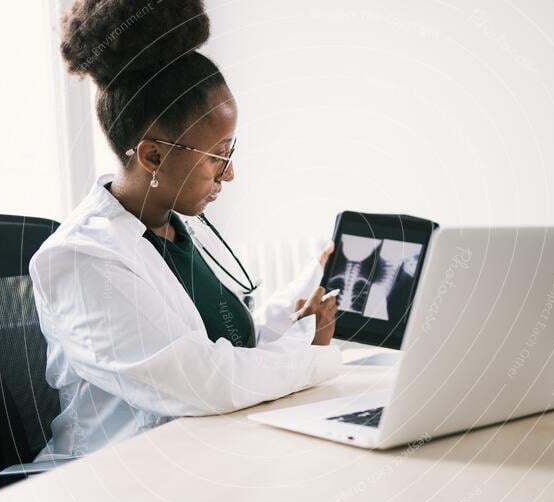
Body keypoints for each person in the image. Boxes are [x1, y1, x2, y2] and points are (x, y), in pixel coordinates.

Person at [31, 0, 342, 461]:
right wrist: (316, 358)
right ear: (153, 156)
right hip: (119, 486)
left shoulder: (170, 229)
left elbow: (225, 342)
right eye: (217, 156)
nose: (230, 174)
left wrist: (299, 312)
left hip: (207, 457)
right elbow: (202, 381)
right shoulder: (81, 258)